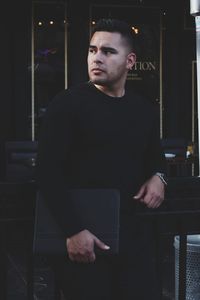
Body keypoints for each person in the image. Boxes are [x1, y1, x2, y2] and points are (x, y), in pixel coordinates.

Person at [37, 18, 167, 300]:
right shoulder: (67, 104)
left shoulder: (143, 109)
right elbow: (47, 173)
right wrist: (73, 231)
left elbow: (156, 158)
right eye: (92, 50)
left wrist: (159, 177)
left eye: (108, 51)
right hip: (85, 240)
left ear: (130, 61)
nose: (97, 58)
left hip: (134, 240)